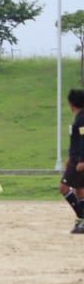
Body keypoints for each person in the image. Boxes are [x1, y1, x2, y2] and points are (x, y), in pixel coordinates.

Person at [59, 89, 84, 233]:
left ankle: (81, 215)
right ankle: (81, 222)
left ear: (72, 104)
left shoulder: (82, 119)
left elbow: (83, 139)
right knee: (80, 189)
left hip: (79, 159)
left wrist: (81, 160)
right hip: (75, 158)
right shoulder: (80, 117)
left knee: (64, 187)